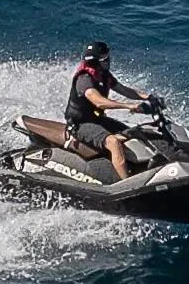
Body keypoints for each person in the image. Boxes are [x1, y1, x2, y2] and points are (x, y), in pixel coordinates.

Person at [62, 40, 165, 184]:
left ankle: (143, 166)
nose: (109, 61)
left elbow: (124, 90)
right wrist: (129, 106)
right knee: (113, 142)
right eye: (105, 59)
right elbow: (99, 102)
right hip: (80, 124)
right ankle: (128, 184)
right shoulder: (84, 79)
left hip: (97, 120)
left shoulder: (104, 75)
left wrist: (148, 97)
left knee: (133, 133)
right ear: (96, 62)